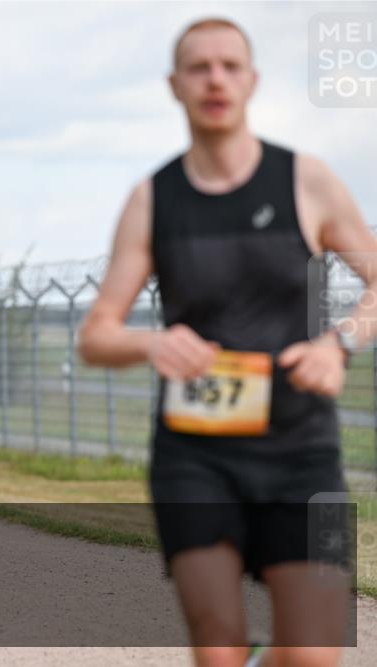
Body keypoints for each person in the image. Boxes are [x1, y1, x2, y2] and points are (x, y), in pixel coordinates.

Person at [78, 18, 377, 667]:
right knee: (217, 651)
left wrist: (339, 343)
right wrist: (151, 345)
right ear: (175, 85)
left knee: (313, 655)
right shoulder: (153, 199)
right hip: (196, 452)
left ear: (251, 81)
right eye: (199, 67)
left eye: (229, 65)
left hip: (301, 448)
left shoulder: (307, 180)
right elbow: (96, 334)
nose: (215, 78)